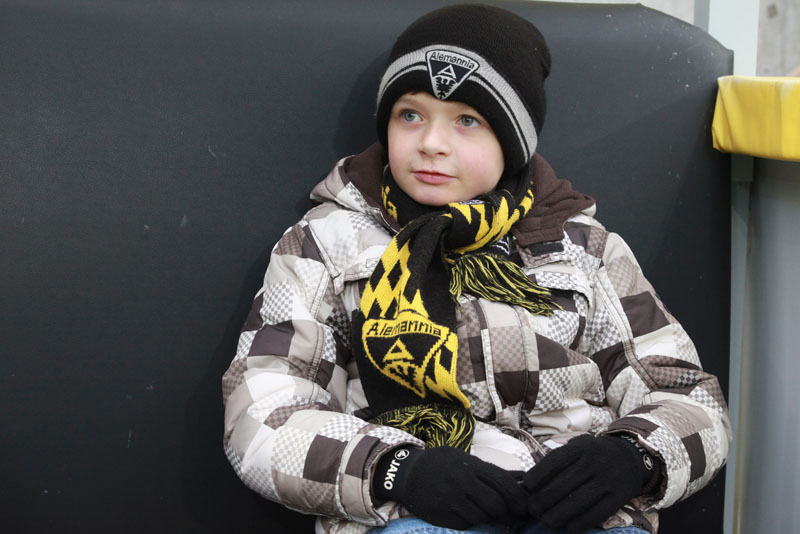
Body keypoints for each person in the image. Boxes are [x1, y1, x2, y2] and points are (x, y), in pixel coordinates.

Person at [222, 4, 731, 534]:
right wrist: (395, 470)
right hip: (416, 515)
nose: (431, 143)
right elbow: (261, 412)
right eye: (410, 115)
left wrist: (633, 458)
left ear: (513, 141)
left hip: (576, 515)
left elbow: (684, 393)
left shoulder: (583, 247)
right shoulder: (322, 244)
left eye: (468, 121)